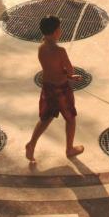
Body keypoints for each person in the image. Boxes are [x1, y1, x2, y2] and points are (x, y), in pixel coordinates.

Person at [24, 15, 85, 162]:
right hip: (61, 89)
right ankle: (69, 149)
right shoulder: (60, 51)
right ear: (56, 32)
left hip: (48, 88)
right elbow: (69, 71)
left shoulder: (41, 48)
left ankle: (31, 143)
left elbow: (50, 69)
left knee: (46, 118)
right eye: (59, 28)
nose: (61, 31)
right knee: (70, 118)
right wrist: (71, 76)